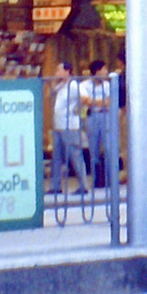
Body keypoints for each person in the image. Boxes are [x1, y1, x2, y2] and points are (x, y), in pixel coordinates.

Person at [48, 62, 89, 196]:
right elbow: (51, 94)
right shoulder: (61, 86)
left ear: (67, 71)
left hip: (70, 126)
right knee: (57, 157)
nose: (57, 72)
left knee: (75, 156)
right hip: (58, 126)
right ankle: (55, 185)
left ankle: (83, 185)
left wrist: (79, 109)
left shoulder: (73, 85)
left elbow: (85, 98)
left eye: (59, 70)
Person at [84, 60, 118, 189]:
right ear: (97, 71)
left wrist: (94, 101)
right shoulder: (85, 85)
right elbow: (85, 101)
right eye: (104, 69)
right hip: (92, 117)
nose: (106, 72)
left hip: (106, 116)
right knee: (94, 150)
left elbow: (109, 102)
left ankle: (111, 179)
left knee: (109, 148)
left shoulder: (108, 85)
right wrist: (100, 102)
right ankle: (97, 180)